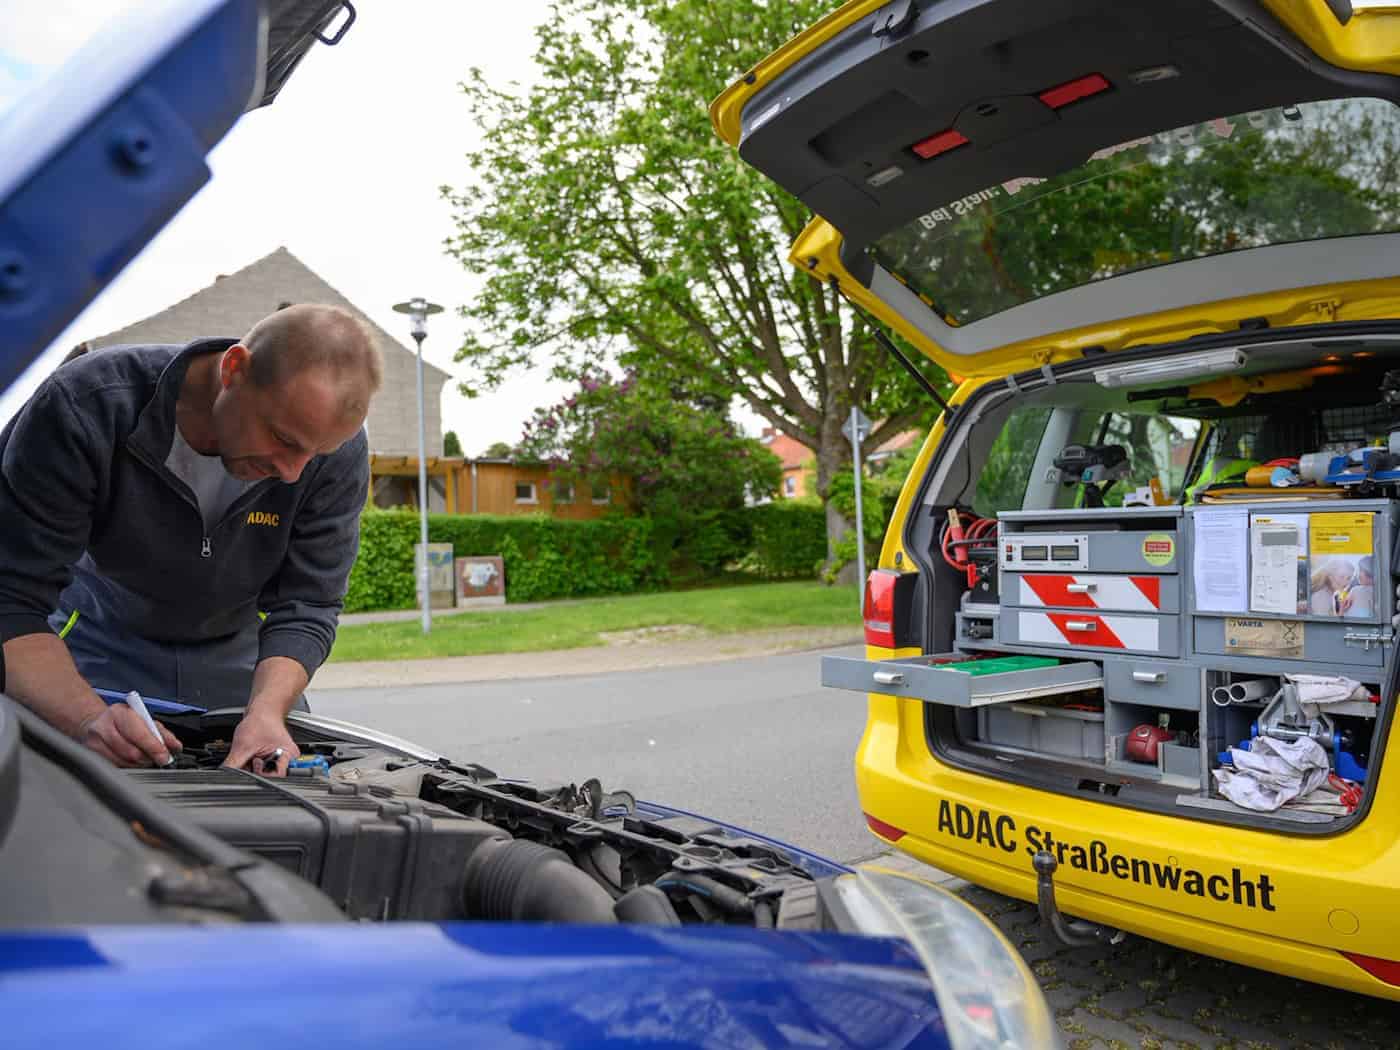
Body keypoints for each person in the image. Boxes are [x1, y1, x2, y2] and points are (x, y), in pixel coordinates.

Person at [0, 304, 382, 775]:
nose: (293, 473)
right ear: (235, 369)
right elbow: (10, 600)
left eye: (315, 453)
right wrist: (86, 717)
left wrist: (266, 711)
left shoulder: (336, 453)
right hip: (92, 652)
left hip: (239, 665)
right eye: (282, 438)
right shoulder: (88, 405)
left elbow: (308, 604)